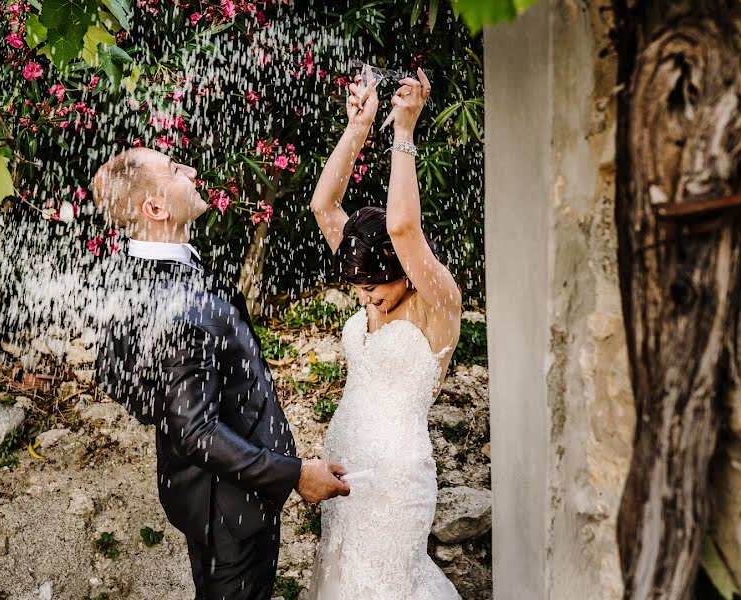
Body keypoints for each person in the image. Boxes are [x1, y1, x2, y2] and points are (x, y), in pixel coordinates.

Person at [91, 147, 350, 600]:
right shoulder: (173, 300)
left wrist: (172, 408)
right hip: (231, 511)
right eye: (175, 169)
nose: (190, 170)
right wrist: (294, 474)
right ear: (157, 208)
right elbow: (195, 432)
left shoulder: (136, 274)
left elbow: (113, 373)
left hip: (217, 499)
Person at [307, 69, 463, 599]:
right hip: (345, 471)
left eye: (378, 286)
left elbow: (403, 229)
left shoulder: (436, 306)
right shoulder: (365, 274)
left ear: (406, 270)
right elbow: (323, 207)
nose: (367, 297)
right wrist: (358, 126)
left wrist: (403, 130)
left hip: (396, 484)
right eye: (357, 289)